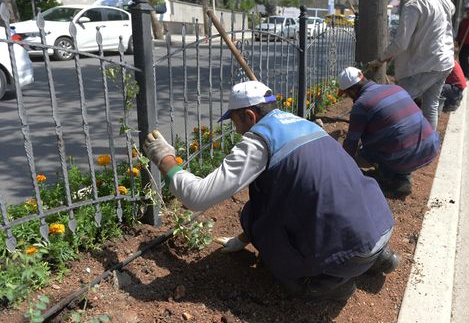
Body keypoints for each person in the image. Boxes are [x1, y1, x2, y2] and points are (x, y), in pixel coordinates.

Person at [143, 81, 399, 302]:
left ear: (249, 116)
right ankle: (378, 259)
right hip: (378, 224)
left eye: (234, 120)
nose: (236, 129)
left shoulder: (260, 141)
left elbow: (197, 197)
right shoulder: (305, 124)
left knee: (254, 217)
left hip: (349, 252)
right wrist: (242, 240)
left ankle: (332, 285)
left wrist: (164, 159)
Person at [375, 0, 456, 130]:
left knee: (397, 102)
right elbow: (452, 10)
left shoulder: (413, 3)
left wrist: (381, 58)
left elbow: (401, 43)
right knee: (431, 105)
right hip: (445, 59)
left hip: (428, 63)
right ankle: (430, 144)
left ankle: (392, 141)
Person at [338, 67, 440, 196]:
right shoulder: (396, 88)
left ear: (352, 90)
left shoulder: (361, 105)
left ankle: (393, 178)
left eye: (347, 94)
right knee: (395, 135)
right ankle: (401, 174)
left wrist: (342, 166)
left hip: (405, 155)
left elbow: (351, 143)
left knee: (364, 153)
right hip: (430, 147)